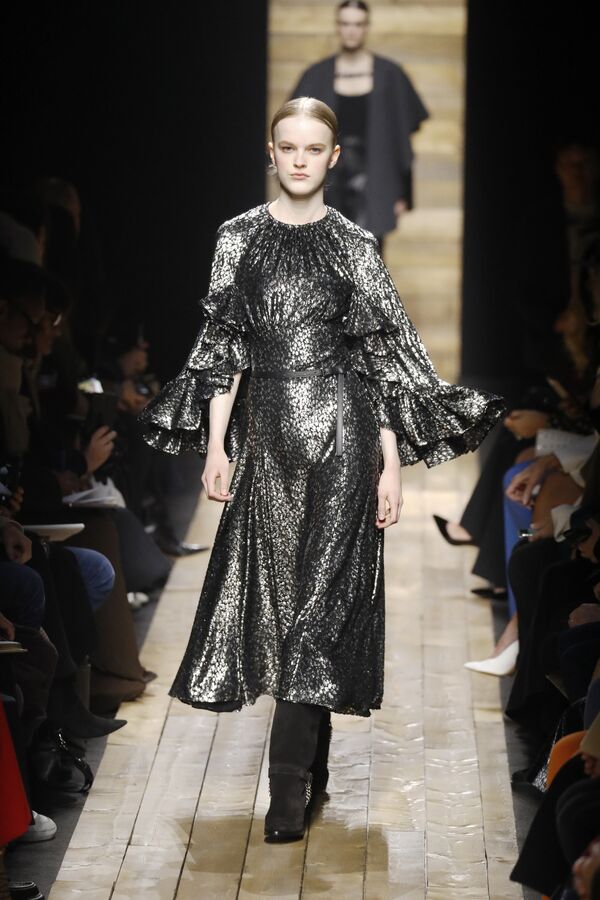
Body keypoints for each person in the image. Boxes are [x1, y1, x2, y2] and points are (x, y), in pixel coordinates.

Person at [140, 96, 503, 843]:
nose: (300, 160)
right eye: (288, 147)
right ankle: (312, 767)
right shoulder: (237, 237)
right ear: (270, 152)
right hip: (266, 443)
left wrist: (390, 464)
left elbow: (380, 360)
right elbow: (223, 349)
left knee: (321, 605)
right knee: (279, 606)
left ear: (334, 158)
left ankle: (286, 788)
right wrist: (216, 447)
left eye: (314, 148)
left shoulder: (354, 245)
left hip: (343, 438)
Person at [290, 0, 429, 245]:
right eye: (345, 24)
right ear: (337, 26)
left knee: (370, 256)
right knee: (327, 258)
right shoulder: (316, 77)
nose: (351, 31)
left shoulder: (389, 76)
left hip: (377, 181)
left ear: (366, 27)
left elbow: (402, 138)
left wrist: (403, 194)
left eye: (358, 24)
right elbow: (293, 134)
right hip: (328, 183)